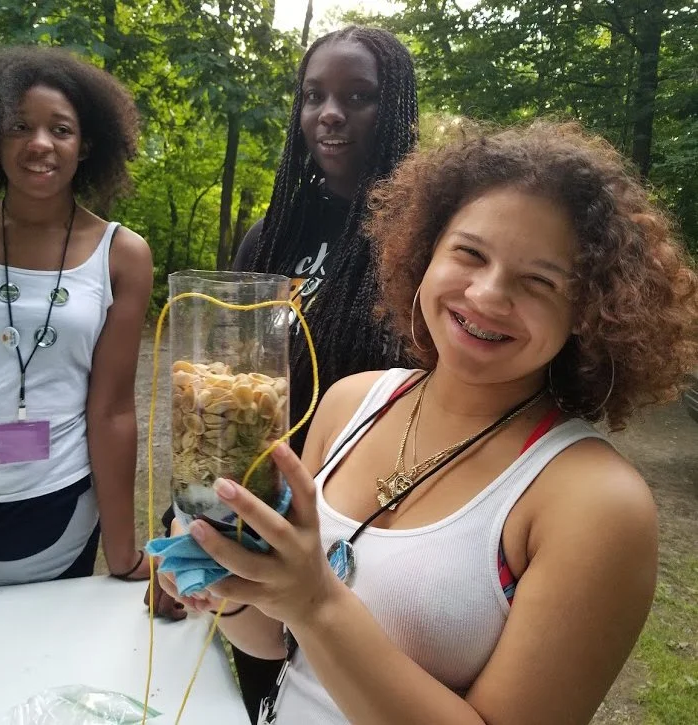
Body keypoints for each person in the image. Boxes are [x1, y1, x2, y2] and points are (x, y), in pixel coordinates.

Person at [160, 121, 698, 725]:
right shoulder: (350, 403)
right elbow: (275, 642)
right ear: (423, 253)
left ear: (588, 311)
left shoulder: (596, 503)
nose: (489, 295)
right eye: (469, 253)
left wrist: (316, 602)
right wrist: (231, 576)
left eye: (539, 282)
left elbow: (310, 612)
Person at [150, 25, 419, 719]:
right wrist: (186, 522)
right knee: (248, 686)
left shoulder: (419, 241)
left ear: (394, 111)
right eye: (313, 95)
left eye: (356, 97)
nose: (328, 113)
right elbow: (219, 378)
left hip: (348, 529)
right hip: (248, 517)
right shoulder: (271, 234)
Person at [0, 46, 152, 587]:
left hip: (52, 505)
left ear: (86, 145)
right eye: (20, 125)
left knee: (39, 662)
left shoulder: (121, 255)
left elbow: (114, 410)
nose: (40, 144)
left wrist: (124, 556)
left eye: (61, 129)